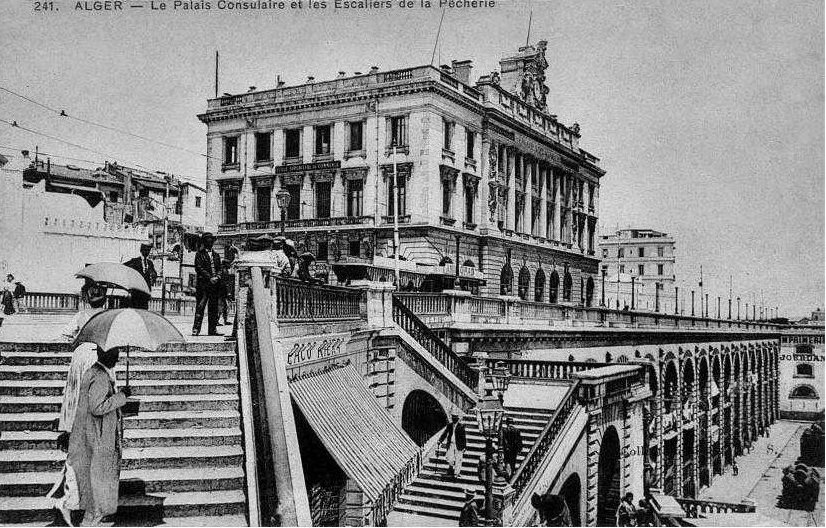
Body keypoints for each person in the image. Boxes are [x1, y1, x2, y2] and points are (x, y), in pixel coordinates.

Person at [47, 281, 109, 526]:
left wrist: (77, 341)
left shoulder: (82, 315)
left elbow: (65, 335)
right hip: (98, 359)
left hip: (82, 356)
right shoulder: (108, 316)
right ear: (104, 297)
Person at [68, 346, 131, 526]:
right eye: (115, 355)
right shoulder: (101, 376)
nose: (117, 359)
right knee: (100, 475)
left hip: (91, 431)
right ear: (107, 356)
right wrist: (121, 397)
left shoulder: (93, 372)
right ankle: (95, 516)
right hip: (99, 434)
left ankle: (95, 514)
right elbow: (97, 407)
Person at [192, 233, 223, 336]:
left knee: (213, 308)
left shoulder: (216, 255)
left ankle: (212, 330)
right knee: (200, 307)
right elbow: (199, 268)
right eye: (207, 241)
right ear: (204, 242)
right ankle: (196, 329)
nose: (210, 243)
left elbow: (220, 268)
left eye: (211, 241)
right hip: (203, 285)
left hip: (214, 285)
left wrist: (218, 277)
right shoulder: (199, 254)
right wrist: (210, 278)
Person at [123, 241, 157, 310]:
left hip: (146, 292)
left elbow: (154, 274)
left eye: (148, 250)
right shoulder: (135, 261)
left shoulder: (150, 263)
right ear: (141, 250)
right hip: (136, 292)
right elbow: (124, 267)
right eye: (145, 250)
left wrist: (152, 276)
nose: (147, 252)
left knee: (144, 311)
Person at [438, 413, 467, 478]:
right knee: (449, 458)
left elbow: (463, 437)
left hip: (459, 445)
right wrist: (440, 440)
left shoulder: (461, 426)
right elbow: (445, 433)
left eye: (455, 419)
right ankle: (450, 468)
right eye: (453, 419)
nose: (454, 420)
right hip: (451, 444)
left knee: (458, 459)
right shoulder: (449, 425)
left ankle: (456, 473)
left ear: (457, 419)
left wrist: (464, 447)